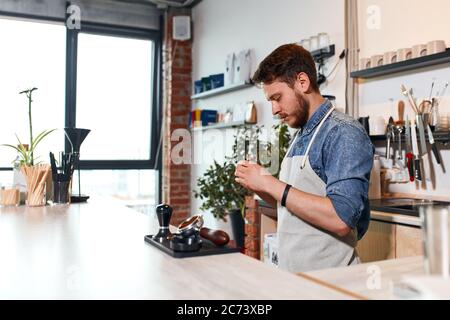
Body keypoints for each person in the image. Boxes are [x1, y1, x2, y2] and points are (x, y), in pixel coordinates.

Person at [234, 44, 374, 273]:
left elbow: (342, 219)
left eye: (277, 98)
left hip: (332, 282)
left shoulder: (343, 133)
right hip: (296, 279)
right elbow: (292, 205)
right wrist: (259, 185)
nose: (274, 110)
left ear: (302, 82)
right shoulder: (301, 133)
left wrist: (272, 184)